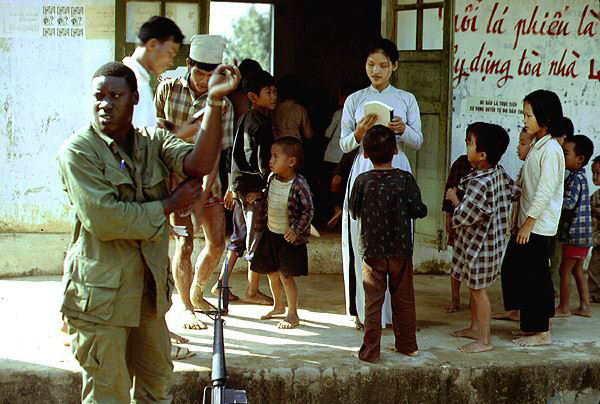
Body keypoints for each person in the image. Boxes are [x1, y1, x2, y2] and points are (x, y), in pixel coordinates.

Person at [57, 61, 240, 402]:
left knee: (156, 388)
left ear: (135, 99)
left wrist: (214, 103)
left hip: (148, 295)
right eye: (98, 96)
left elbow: (198, 164)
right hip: (100, 300)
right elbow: (105, 219)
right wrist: (169, 204)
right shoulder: (78, 151)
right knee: (107, 395)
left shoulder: (152, 142)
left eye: (115, 95)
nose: (105, 104)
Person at [340, 37, 423, 329]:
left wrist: (403, 129)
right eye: (371, 64)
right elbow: (344, 145)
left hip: (396, 165)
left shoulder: (406, 99)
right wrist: (359, 132)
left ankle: (396, 316)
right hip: (364, 167)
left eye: (383, 65)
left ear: (394, 66)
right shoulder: (355, 100)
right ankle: (365, 314)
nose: (376, 71)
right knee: (362, 236)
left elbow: (418, 141)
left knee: (398, 238)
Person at [154, 34, 233, 330]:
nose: (204, 79)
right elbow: (157, 137)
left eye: (211, 73)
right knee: (184, 243)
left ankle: (197, 293)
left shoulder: (223, 104)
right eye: (199, 72)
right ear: (188, 64)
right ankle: (186, 306)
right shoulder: (166, 90)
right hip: (173, 180)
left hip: (207, 182)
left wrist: (203, 189)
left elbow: (216, 154)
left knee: (216, 242)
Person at [349, 125, 426, 363]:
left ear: (365, 154)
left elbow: (353, 211)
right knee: (403, 299)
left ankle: (370, 351)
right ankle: (408, 345)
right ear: (395, 151)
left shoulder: (362, 181)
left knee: (373, 302)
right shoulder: (405, 179)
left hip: (371, 251)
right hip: (400, 250)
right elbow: (418, 210)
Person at [498, 89, 565, 347]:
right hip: (526, 223)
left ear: (544, 118)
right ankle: (529, 325)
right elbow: (527, 186)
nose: (524, 119)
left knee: (537, 278)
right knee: (517, 270)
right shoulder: (538, 146)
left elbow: (546, 190)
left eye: (529, 114)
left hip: (538, 226)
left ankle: (542, 331)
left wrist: (528, 223)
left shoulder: (551, 150)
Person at [446, 123, 517, 353]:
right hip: (487, 243)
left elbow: (465, 215)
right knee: (473, 285)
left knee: (478, 291)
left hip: (480, 246)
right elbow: (514, 191)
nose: (466, 146)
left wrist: (455, 198)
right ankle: (474, 327)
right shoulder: (496, 172)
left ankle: (484, 340)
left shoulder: (479, 182)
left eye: (469, 143)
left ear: (482, 154)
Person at [215, 69, 277, 304]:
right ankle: (252, 291)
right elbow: (263, 164)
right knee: (256, 239)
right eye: (268, 92)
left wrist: (233, 185)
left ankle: (222, 284)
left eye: (275, 91)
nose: (273, 96)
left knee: (239, 238)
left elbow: (233, 155)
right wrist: (265, 188)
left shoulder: (244, 119)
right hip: (253, 191)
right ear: (253, 97)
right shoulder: (261, 125)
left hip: (241, 186)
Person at [252, 137, 314, 329]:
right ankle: (278, 305)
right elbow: (269, 198)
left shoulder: (299, 184)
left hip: (289, 238)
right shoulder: (272, 179)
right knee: (271, 272)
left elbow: (308, 210)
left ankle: (292, 313)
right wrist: (257, 197)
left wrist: (296, 230)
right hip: (271, 233)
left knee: (286, 276)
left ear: (291, 162)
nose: (270, 161)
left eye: (275, 157)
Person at [555, 135, 594, 317]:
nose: (562, 157)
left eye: (565, 153)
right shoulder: (580, 177)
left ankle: (563, 307)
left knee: (565, 270)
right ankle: (584, 306)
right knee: (577, 269)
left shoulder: (575, 179)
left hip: (574, 234)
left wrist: (552, 201)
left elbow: (569, 203)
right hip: (583, 235)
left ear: (580, 159)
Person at [122, 16, 184, 128]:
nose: (171, 62)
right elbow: (142, 140)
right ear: (152, 45)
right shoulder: (138, 86)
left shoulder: (125, 73)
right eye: (170, 53)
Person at [441, 124, 476, 313]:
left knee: (473, 266)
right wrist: (448, 216)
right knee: (457, 262)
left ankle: (474, 300)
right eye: (467, 142)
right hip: (458, 220)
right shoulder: (461, 163)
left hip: (476, 225)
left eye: (473, 143)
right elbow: (449, 189)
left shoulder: (489, 168)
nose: (468, 146)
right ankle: (455, 299)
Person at [272, 74, 313, 141]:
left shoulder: (274, 108)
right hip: (294, 146)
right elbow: (308, 134)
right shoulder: (300, 109)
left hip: (277, 145)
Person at [588, 156, 600, 303]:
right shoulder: (595, 196)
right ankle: (593, 294)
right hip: (597, 241)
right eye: (594, 173)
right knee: (594, 268)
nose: (595, 177)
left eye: (599, 173)